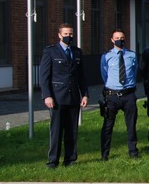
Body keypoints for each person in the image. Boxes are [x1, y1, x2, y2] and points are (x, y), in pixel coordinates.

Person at [39, 23, 89, 168]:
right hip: (57, 97)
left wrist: (84, 94)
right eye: (66, 34)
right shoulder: (50, 52)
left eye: (71, 34)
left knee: (72, 130)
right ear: (59, 35)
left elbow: (81, 76)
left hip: (73, 97)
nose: (69, 36)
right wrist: (47, 96)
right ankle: (53, 161)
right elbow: (44, 77)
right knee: (56, 131)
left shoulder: (77, 52)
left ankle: (70, 159)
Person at [99, 29, 139, 161]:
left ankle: (133, 151)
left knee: (131, 125)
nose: (119, 40)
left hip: (129, 95)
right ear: (112, 40)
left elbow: (134, 70)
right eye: (116, 38)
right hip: (112, 96)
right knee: (108, 125)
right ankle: (105, 154)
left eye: (122, 37)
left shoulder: (132, 55)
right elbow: (104, 74)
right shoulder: (106, 56)